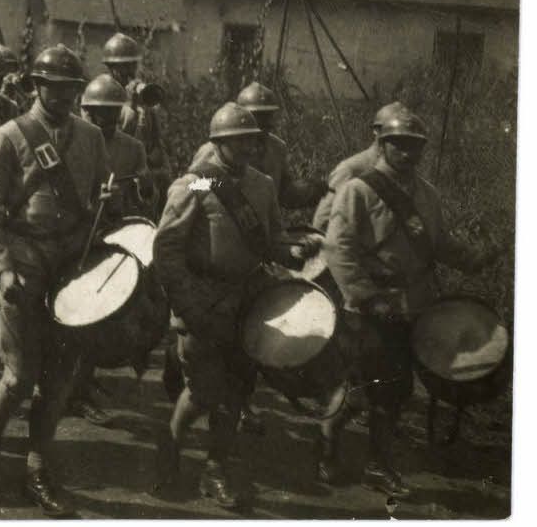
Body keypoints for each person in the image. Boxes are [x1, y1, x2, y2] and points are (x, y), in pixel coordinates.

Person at [0, 45, 110, 517]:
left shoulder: (91, 136)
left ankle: (37, 467)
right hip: (24, 263)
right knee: (18, 375)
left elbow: (99, 193)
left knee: (61, 377)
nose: (66, 97)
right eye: (57, 88)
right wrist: (1, 268)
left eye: (73, 89)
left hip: (70, 266)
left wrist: (108, 201)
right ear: (37, 86)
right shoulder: (8, 137)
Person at [153, 102, 314, 509]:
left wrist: (293, 252)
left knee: (237, 391)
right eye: (237, 141)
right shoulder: (198, 184)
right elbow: (167, 249)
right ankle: (170, 448)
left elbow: (272, 240)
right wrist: (186, 304)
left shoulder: (263, 185)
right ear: (217, 143)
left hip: (248, 302)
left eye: (252, 141)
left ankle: (215, 468)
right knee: (203, 390)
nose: (247, 148)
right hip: (203, 301)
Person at [321, 108, 487, 498]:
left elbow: (438, 243)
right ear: (382, 144)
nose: (408, 153)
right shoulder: (358, 190)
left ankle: (364, 457)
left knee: (389, 389)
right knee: (370, 388)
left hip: (413, 305)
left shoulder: (427, 194)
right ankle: (335, 446)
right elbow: (339, 250)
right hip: (369, 309)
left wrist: (474, 258)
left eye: (415, 146)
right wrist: (367, 297)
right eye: (399, 145)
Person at [66, 72, 155, 426]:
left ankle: (80, 384)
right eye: (96, 112)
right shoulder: (70, 140)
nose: (104, 120)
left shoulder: (132, 148)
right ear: (83, 110)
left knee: (100, 314)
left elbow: (145, 197)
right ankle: (68, 387)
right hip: (74, 237)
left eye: (111, 112)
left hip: (112, 234)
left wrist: (143, 188)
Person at [191, 82, 327, 213]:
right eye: (257, 116)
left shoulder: (277, 147)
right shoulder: (217, 149)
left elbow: (284, 193)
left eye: (267, 115)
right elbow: (194, 188)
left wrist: (310, 190)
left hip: (262, 223)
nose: (263, 121)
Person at [313, 101, 413, 231]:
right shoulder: (351, 169)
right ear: (376, 131)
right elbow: (322, 223)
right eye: (392, 132)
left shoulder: (408, 171)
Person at [103, 32, 173, 210]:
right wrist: (130, 107)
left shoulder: (144, 105)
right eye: (124, 66)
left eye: (132, 65)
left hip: (142, 189)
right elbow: (108, 142)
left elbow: (157, 147)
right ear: (111, 67)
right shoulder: (100, 97)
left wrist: (158, 174)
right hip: (114, 182)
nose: (129, 72)